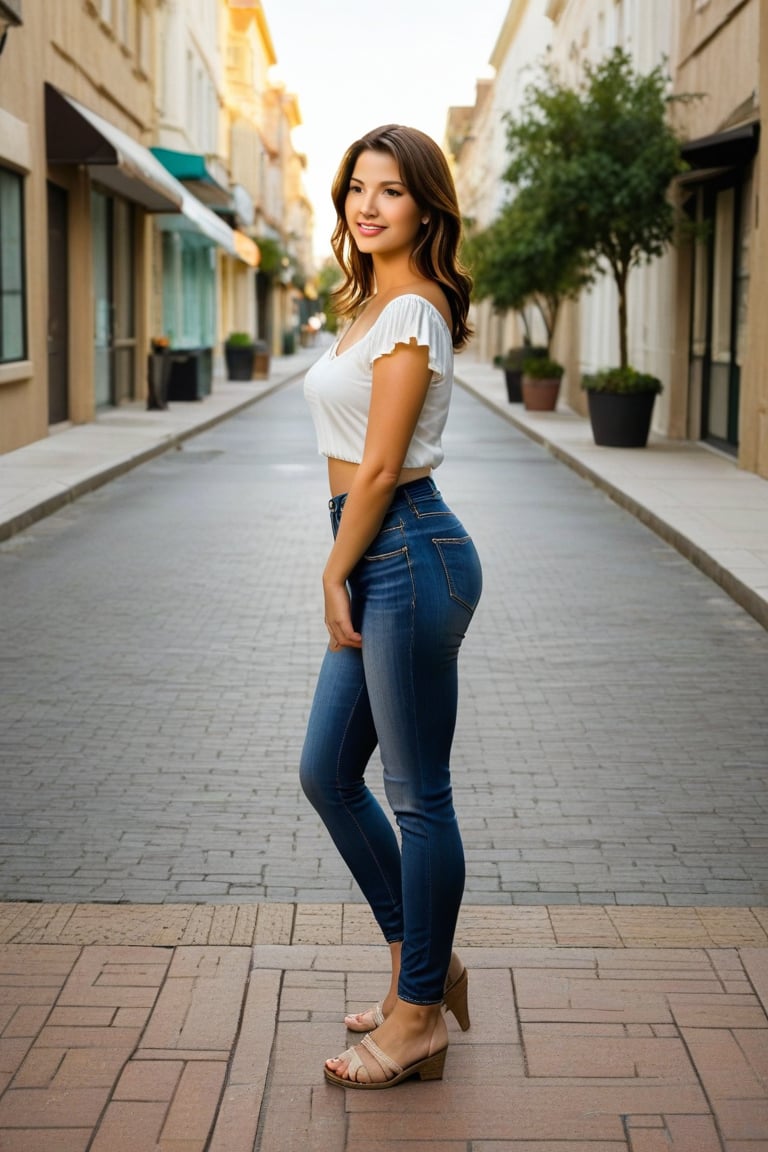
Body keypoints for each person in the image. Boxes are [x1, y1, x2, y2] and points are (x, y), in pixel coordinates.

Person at [300, 124, 482, 1090]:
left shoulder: (413, 312)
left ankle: (417, 1019)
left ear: (425, 206)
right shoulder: (371, 302)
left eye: (392, 191)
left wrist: (335, 569)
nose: (368, 206)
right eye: (357, 190)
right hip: (381, 545)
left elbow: (378, 466)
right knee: (326, 772)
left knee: (418, 796)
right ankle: (429, 965)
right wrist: (345, 558)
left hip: (405, 547)